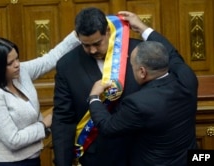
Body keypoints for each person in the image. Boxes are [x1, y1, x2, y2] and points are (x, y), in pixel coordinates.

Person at [51, 7, 172, 166]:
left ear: (107, 31)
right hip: (97, 156)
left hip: (140, 152)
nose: (92, 50)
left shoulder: (139, 52)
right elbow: (63, 119)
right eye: (86, 45)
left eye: (97, 43)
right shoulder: (67, 65)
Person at [88, 11, 198, 166]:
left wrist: (94, 98)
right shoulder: (187, 78)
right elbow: (172, 53)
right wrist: (142, 27)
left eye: (132, 65)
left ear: (142, 72)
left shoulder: (138, 103)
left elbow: (108, 127)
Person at [0, 31, 80, 166]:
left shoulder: (21, 72)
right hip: (10, 163)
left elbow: (51, 58)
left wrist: (78, 33)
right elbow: (13, 140)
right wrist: (44, 124)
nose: (17, 64)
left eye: (17, 58)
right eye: (10, 63)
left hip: (33, 159)